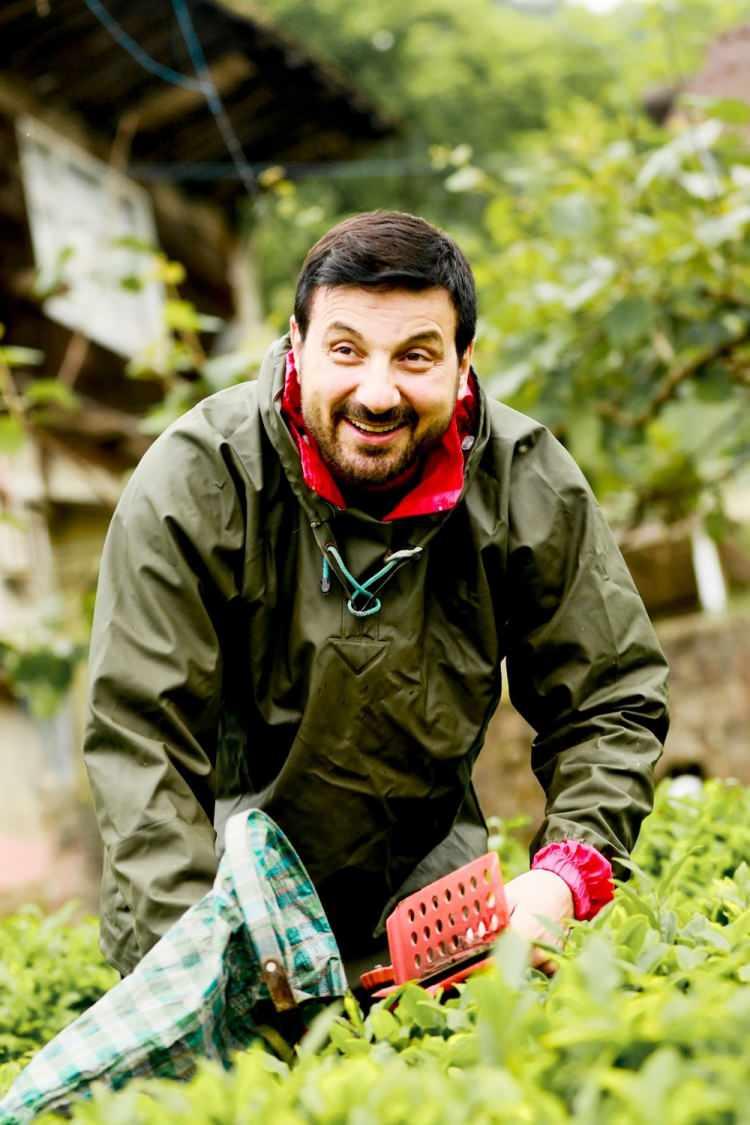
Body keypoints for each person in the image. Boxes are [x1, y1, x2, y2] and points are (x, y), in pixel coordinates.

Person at [84, 211, 669, 985]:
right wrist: (189, 975)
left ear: (464, 363)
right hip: (225, 909)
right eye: (346, 350)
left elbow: (611, 700)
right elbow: (141, 744)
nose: (379, 390)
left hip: (439, 923)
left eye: (417, 355)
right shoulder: (195, 482)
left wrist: (564, 879)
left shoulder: (526, 480)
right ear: (297, 346)